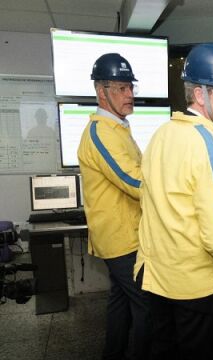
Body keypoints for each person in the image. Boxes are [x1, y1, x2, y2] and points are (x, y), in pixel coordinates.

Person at [133, 43, 213, 359]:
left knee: (162, 349)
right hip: (194, 286)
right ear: (200, 95)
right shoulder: (209, 144)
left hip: (156, 279)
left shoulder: (161, 133)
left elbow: (148, 203)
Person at [77, 53, 149, 359]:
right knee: (148, 307)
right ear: (100, 91)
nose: (129, 94)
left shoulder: (119, 128)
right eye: (120, 88)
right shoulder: (101, 133)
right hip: (121, 240)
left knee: (120, 303)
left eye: (129, 87)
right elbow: (134, 183)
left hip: (128, 233)